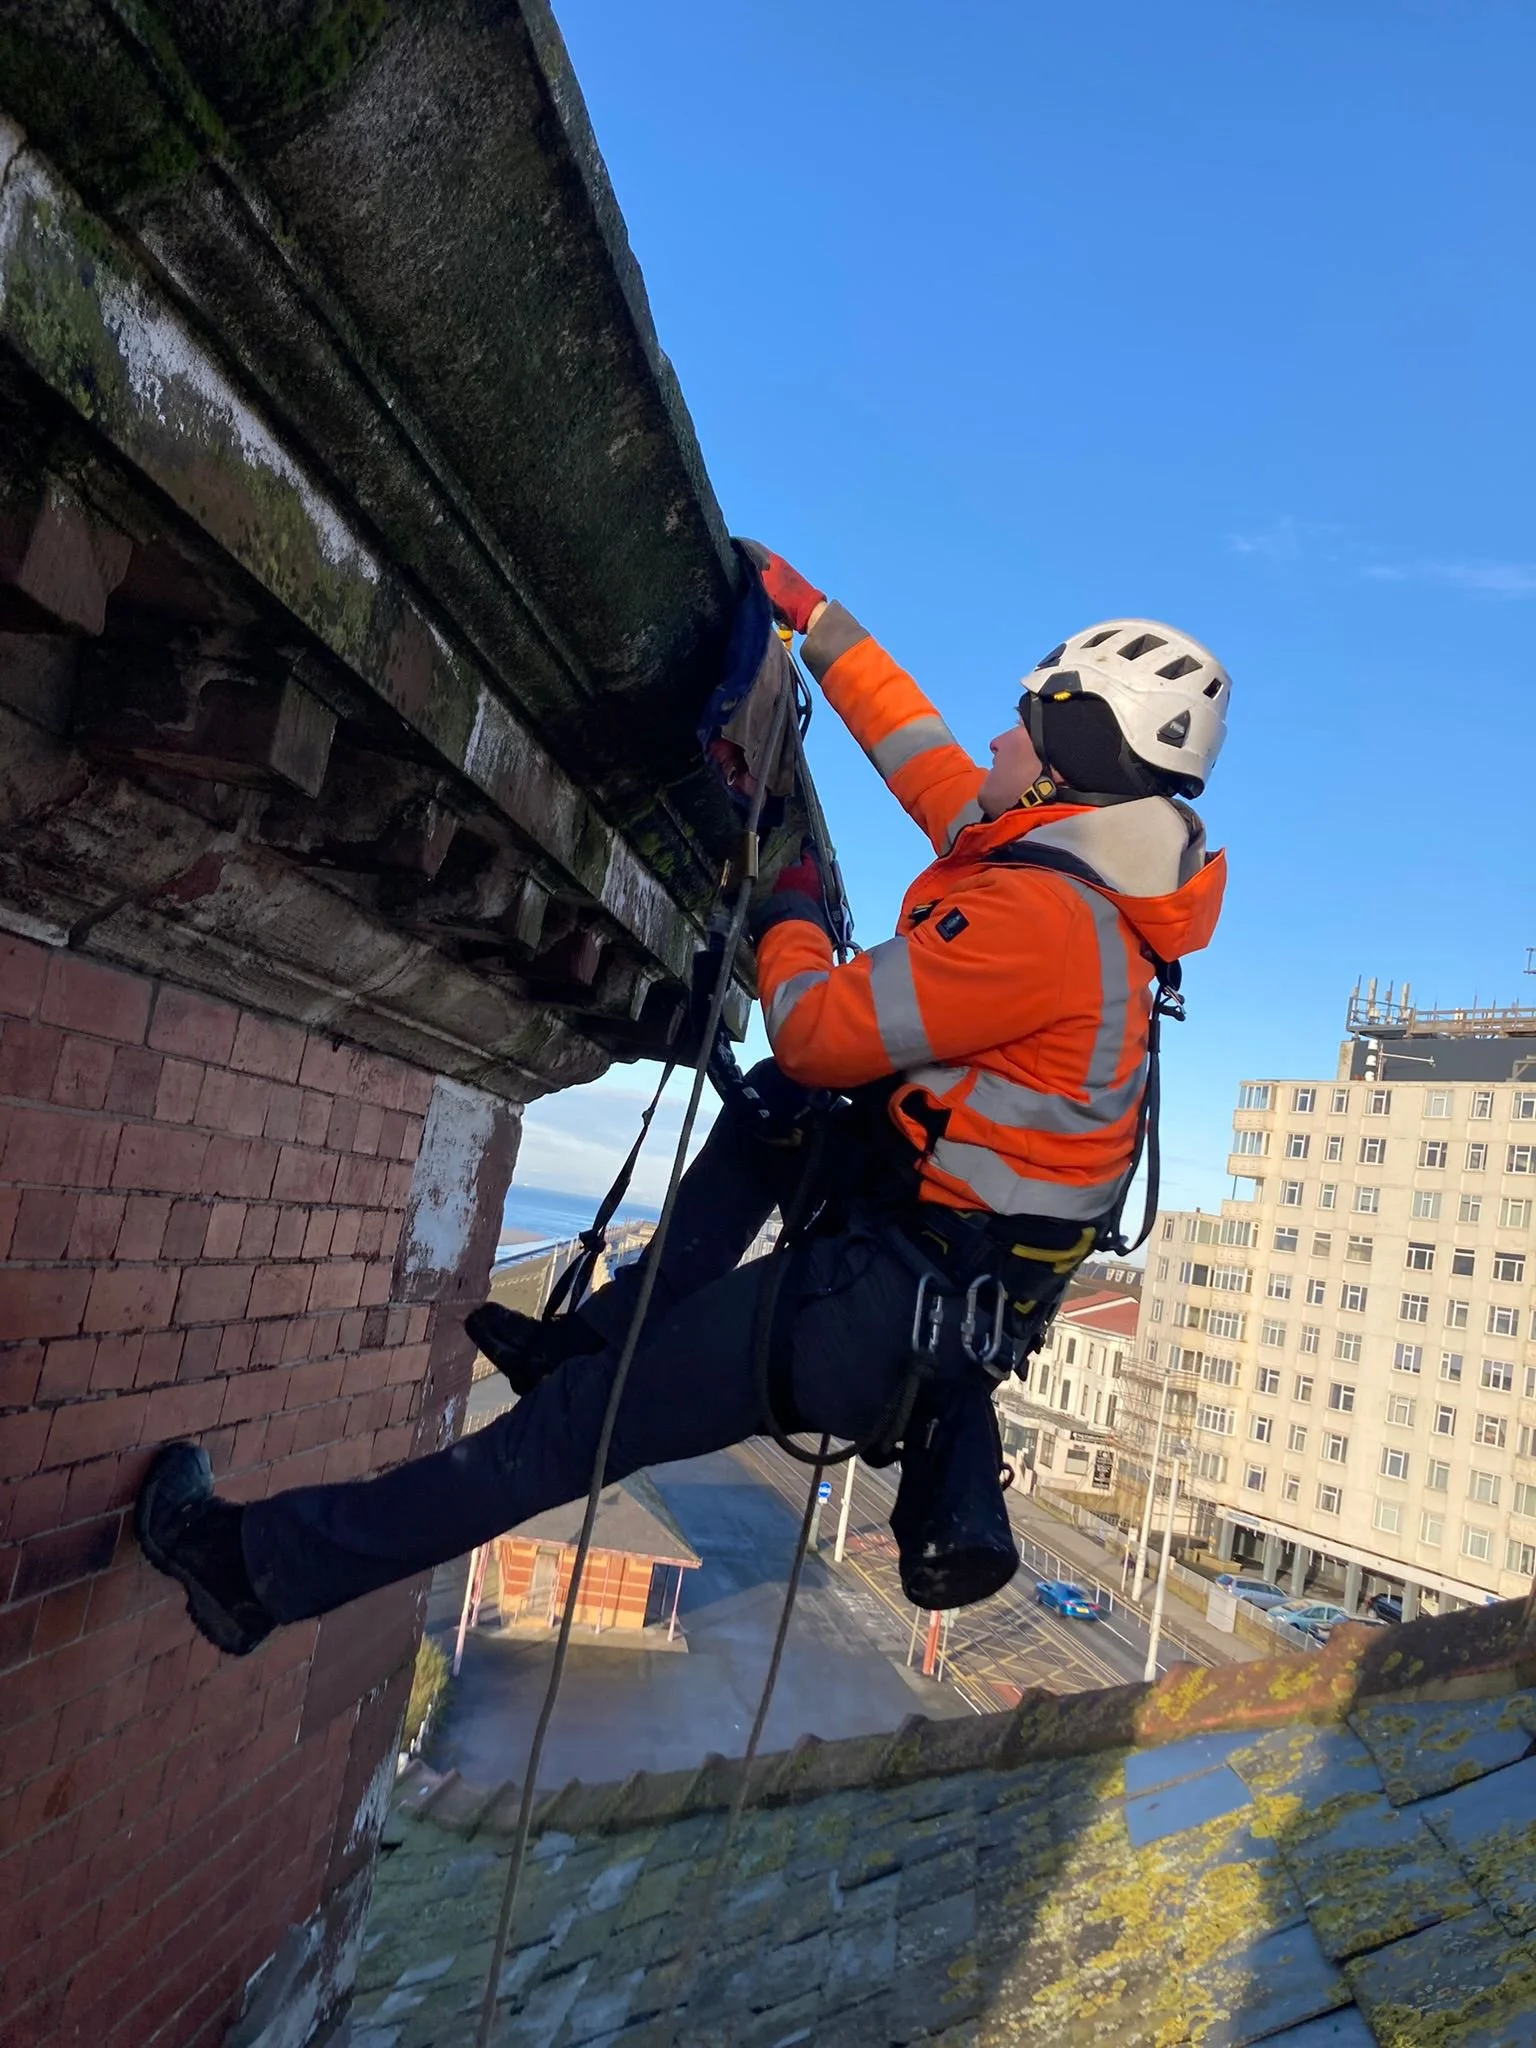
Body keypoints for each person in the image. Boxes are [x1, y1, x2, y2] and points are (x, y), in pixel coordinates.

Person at [135, 551, 1228, 1654]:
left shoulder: (1046, 919)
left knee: (571, 1434)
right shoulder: (1068, 870)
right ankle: (591, 1339)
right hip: (918, 1265)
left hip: (882, 1304)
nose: (995, 741)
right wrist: (813, 618)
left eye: (1024, 724)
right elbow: (922, 758)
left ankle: (251, 1570)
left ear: (1069, 757)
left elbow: (815, 1024)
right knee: (775, 1103)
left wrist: (787, 912)